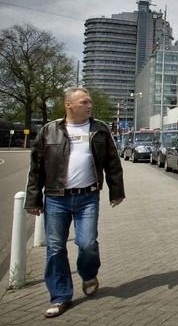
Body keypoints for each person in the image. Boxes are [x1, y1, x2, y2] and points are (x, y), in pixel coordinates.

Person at [25, 87, 125, 318]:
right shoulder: (50, 131)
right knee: (55, 248)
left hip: (88, 196)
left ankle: (88, 273)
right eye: (84, 102)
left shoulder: (99, 129)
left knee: (87, 243)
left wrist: (116, 191)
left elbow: (112, 162)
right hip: (56, 198)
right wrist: (34, 199)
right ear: (68, 105)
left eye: (90, 102)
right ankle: (60, 297)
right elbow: (36, 168)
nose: (89, 105)